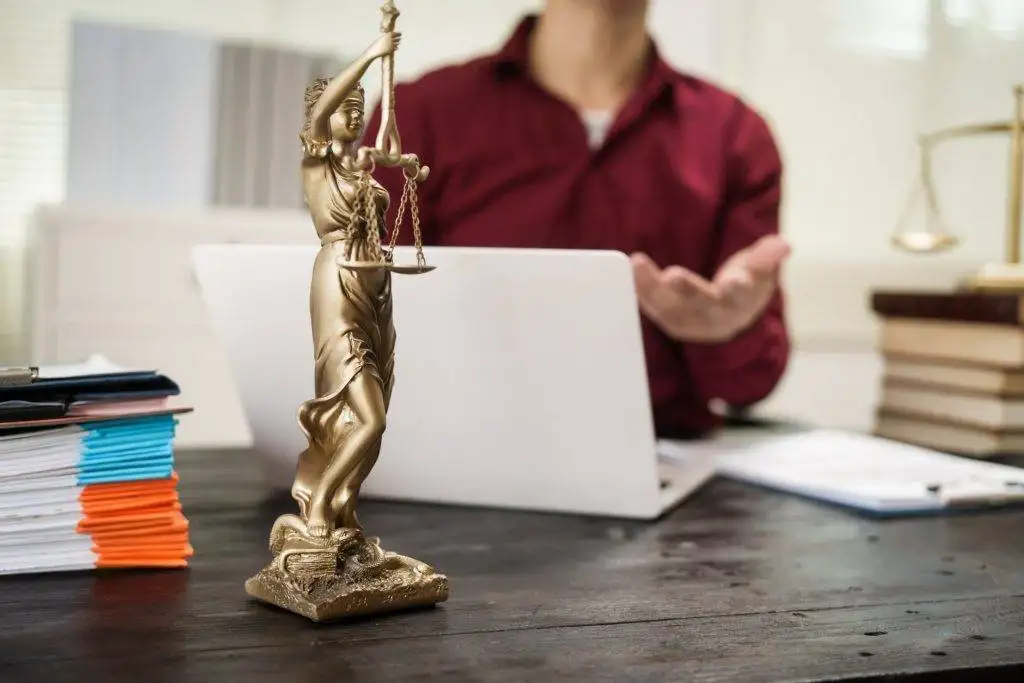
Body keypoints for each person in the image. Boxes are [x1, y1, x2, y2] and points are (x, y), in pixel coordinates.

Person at [364, 0, 791, 439]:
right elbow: (357, 336)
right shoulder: (416, 117)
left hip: (666, 463)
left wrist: (724, 331)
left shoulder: (736, 137)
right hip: (456, 449)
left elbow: (752, 382)